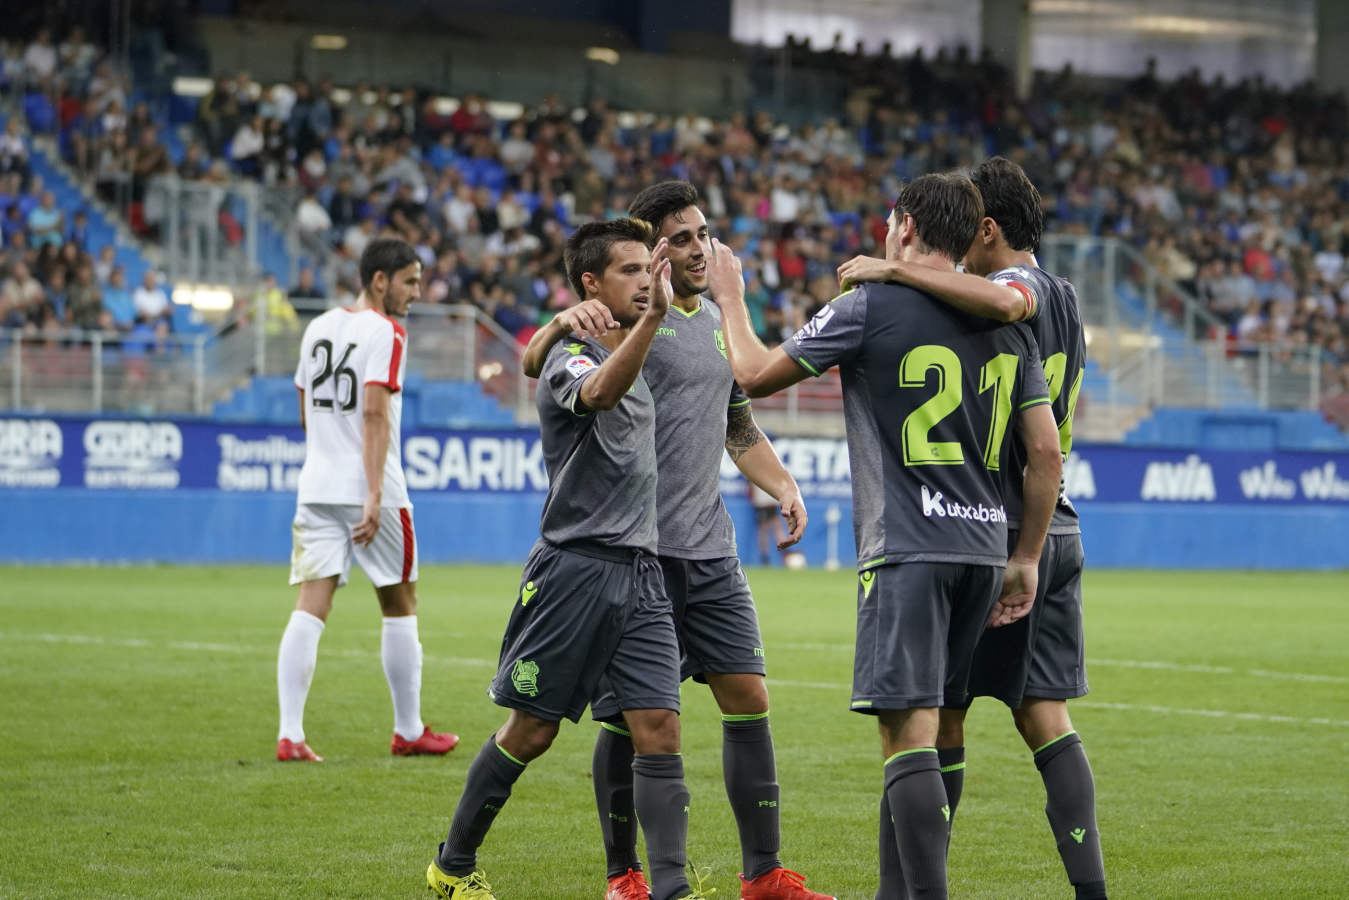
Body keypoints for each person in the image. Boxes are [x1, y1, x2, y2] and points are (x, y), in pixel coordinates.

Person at [711, 173, 1063, 900]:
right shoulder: (1008, 322)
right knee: (939, 733)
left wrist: (730, 298)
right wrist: (1024, 555)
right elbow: (1043, 451)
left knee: (906, 737)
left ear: (902, 225)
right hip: (982, 552)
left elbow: (750, 373)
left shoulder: (867, 305)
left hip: (907, 548)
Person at [521, 181, 830, 900]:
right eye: (680, 238)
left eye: (704, 234)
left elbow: (736, 423)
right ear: (649, 252)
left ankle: (763, 875)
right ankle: (624, 874)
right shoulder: (626, 320)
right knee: (638, 719)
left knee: (748, 695)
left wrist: (779, 484)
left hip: (710, 547)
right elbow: (544, 362)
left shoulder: (718, 325)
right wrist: (554, 327)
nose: (699, 248)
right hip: (634, 552)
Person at [837, 157, 1106, 900]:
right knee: (1041, 713)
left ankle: (913, 890)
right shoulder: (1071, 296)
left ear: (987, 229)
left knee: (932, 717)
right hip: (1057, 525)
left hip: (994, 529)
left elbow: (1007, 305)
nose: (955, 245)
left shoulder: (1012, 291)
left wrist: (897, 273)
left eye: (967, 229)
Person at [427, 220, 707, 900]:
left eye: (650, 267)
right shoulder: (571, 356)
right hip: (573, 571)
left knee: (659, 728)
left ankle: (670, 888)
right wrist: (562, 327)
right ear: (592, 283)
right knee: (532, 731)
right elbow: (598, 391)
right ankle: (451, 866)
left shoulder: (623, 344)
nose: (647, 280)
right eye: (630, 270)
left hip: (640, 572)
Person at [277, 236, 457, 763]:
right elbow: (375, 413)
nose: (416, 293)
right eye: (410, 281)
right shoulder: (387, 332)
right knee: (400, 604)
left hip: (316, 486)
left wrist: (328, 456)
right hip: (371, 491)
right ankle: (408, 729)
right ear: (380, 280)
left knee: (311, 605)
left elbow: (305, 406)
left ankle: (290, 733)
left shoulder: (318, 327)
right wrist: (374, 493)